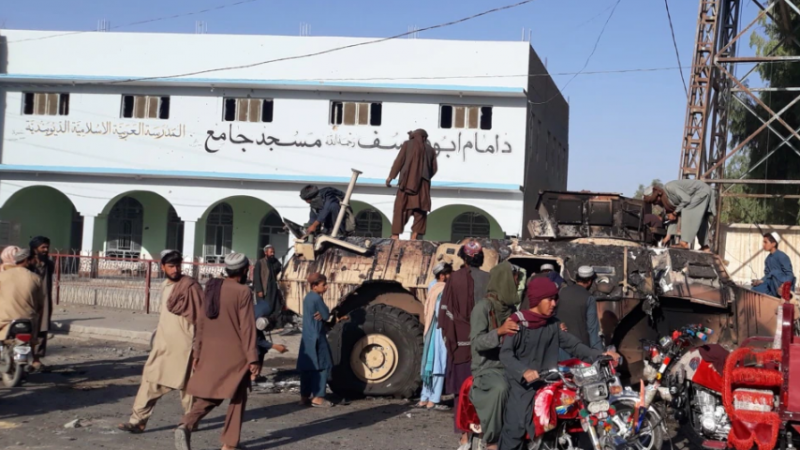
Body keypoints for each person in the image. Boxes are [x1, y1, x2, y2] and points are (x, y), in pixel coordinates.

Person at [499, 277, 621, 450]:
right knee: (516, 428)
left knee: (574, 414)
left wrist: (601, 355)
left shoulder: (553, 324)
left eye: (555, 299)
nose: (554, 304)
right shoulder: (517, 323)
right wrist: (524, 371)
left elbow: (575, 346)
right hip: (521, 386)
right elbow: (505, 354)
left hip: (548, 381)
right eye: (549, 299)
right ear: (537, 300)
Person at [175, 252, 258, 450]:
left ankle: (186, 423)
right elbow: (247, 327)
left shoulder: (212, 288)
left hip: (211, 351)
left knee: (213, 394)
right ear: (244, 270)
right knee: (237, 397)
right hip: (236, 354)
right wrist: (253, 358)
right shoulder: (243, 291)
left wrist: (197, 352)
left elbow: (201, 323)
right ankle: (229, 444)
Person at [119, 250, 204, 434]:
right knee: (150, 380)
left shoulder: (190, 287)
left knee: (188, 388)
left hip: (184, 348)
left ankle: (191, 422)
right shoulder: (165, 285)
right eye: (171, 266)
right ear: (163, 267)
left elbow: (201, 319)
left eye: (178, 266)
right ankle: (137, 421)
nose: (175, 270)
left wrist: (198, 349)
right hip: (163, 345)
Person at [439, 240, 490, 449]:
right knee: (484, 389)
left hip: (460, 344)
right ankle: (483, 432)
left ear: (463, 256)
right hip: (485, 344)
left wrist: (452, 336)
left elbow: (445, 313)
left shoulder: (454, 279)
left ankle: (464, 436)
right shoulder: (489, 279)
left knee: (462, 391)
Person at [469, 262, 520, 449]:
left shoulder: (512, 310)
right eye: (514, 281)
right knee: (500, 388)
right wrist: (499, 332)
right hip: (487, 368)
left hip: (509, 365)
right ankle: (492, 440)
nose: (517, 285)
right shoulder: (483, 308)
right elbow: (477, 343)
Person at [386, 129, 438, 240]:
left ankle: (395, 235)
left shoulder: (407, 144)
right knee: (420, 210)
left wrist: (391, 176)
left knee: (400, 208)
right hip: (423, 186)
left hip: (406, 184)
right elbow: (434, 169)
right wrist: (425, 176)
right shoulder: (430, 150)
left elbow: (399, 161)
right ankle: (415, 235)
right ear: (424, 138)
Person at [297, 272, 337, 407]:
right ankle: (318, 397)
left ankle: (304, 397)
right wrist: (324, 314)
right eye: (323, 285)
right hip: (317, 336)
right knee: (323, 366)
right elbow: (325, 314)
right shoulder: (317, 298)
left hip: (307, 337)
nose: (326, 287)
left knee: (307, 367)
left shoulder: (308, 297)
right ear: (315, 286)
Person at [417, 262, 453, 410]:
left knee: (429, 363)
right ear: (442, 276)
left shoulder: (432, 286)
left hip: (430, 328)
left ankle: (424, 398)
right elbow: (440, 311)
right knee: (439, 363)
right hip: (440, 329)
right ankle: (434, 399)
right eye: (449, 274)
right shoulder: (443, 289)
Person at [0, 249, 44, 367]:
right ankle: (34, 359)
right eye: (33, 259)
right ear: (27, 260)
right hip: (28, 320)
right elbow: (40, 305)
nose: (35, 262)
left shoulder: (2, 276)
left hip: (5, 320)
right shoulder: (36, 278)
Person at [642, 180, 715, 249]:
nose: (656, 203)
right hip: (700, 194)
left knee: (687, 210)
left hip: (701, 191)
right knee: (701, 220)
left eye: (655, 201)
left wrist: (675, 213)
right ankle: (705, 247)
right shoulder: (667, 201)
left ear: (658, 194)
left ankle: (684, 243)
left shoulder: (670, 188)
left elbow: (686, 199)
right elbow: (673, 219)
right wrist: (668, 237)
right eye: (653, 203)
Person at [557, 266, 603, 361]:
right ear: (589, 281)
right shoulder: (589, 298)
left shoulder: (562, 291)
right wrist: (599, 354)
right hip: (580, 348)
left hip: (560, 345)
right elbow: (592, 329)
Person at [29, 236, 54, 358]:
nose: (45, 250)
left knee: (42, 328)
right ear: (35, 249)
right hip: (28, 299)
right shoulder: (27, 264)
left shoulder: (49, 264)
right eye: (42, 247)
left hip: (44, 301)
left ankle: (36, 358)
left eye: (47, 247)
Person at [752, 232, 795, 297]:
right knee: (755, 289)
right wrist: (761, 281)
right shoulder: (767, 259)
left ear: (773, 244)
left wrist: (783, 286)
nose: (763, 245)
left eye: (765, 242)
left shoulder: (782, 256)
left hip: (783, 287)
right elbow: (768, 275)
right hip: (771, 285)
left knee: (775, 273)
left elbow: (789, 275)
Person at [253, 244, 283, 320]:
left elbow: (279, 268)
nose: (273, 254)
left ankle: (277, 323)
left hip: (274, 289)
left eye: (273, 252)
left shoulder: (274, 262)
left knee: (277, 307)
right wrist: (259, 290)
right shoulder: (260, 263)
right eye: (271, 252)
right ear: (265, 253)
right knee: (265, 307)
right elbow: (256, 277)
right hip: (265, 289)